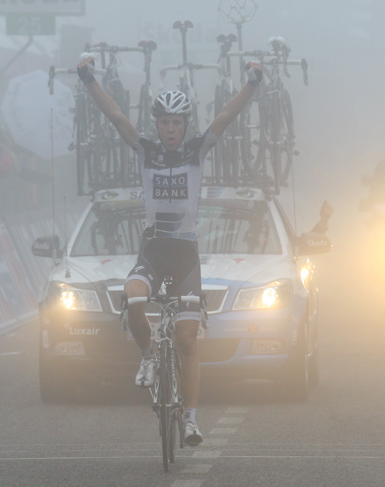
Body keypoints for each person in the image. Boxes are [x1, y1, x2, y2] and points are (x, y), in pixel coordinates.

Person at [77, 54, 263, 447]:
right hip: (153, 249)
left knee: (187, 340)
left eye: (177, 122)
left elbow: (227, 116)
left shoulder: (197, 150)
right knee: (132, 300)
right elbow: (115, 116)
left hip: (185, 256)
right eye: (165, 122)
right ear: (157, 125)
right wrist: (88, 79)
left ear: (185, 124)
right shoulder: (146, 151)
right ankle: (147, 355)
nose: (171, 129)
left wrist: (252, 83)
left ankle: (192, 420)